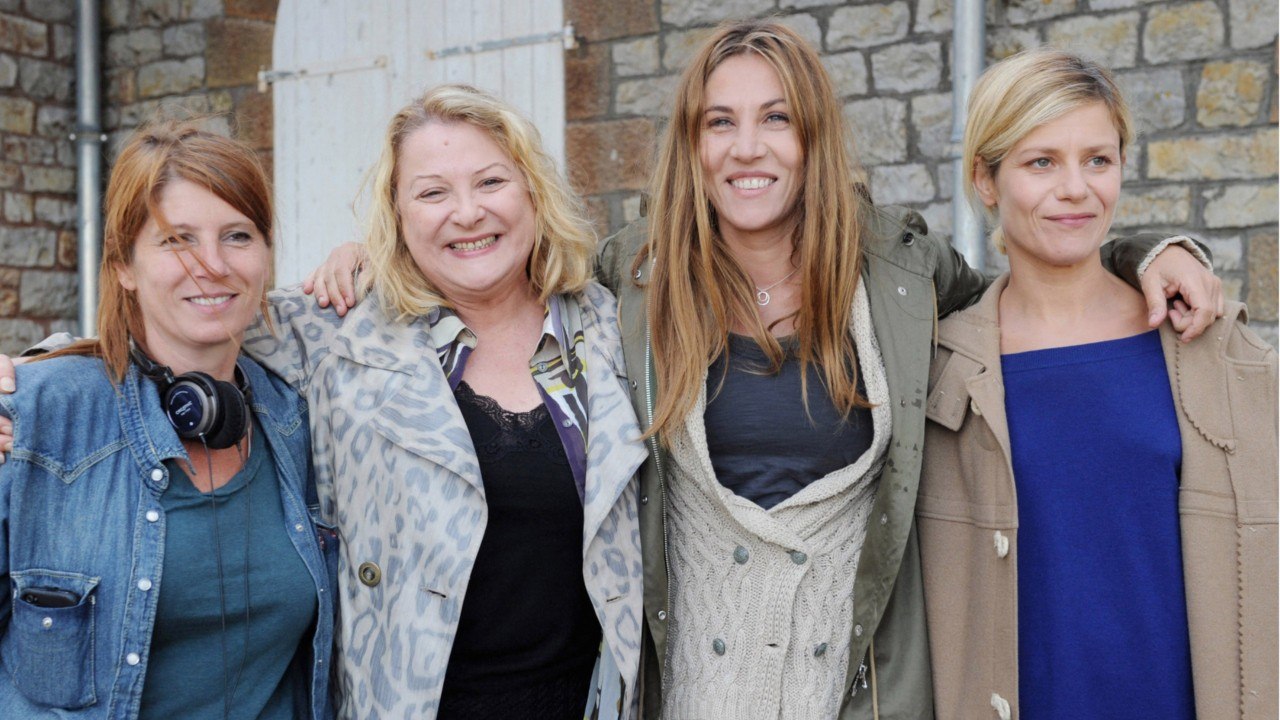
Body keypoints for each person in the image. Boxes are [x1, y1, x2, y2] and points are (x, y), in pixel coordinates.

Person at [305, 20, 1223, 720]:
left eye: (776, 119)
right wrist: (372, 259)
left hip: (858, 692)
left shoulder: (900, 273)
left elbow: (1026, 294)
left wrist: (1143, 251)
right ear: (692, 144)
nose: (749, 148)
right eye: (722, 123)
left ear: (813, 134)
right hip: (688, 691)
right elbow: (493, 265)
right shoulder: (630, 280)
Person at [252, 85, 646, 719]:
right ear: (398, 216)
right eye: (432, 193)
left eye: (491, 182)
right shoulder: (341, 332)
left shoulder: (612, 329)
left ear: (533, 193)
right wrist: (43, 375)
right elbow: (181, 328)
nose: (467, 213)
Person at [916, 49, 1277, 720]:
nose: (1076, 188)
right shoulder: (941, 370)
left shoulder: (1206, 346)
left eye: (1098, 160)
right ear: (985, 180)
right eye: (1041, 161)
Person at [0, 122, 336, 719]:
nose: (211, 264)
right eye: (177, 240)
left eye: (237, 235)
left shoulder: (297, 417)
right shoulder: (38, 416)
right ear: (124, 266)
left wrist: (363, 261)